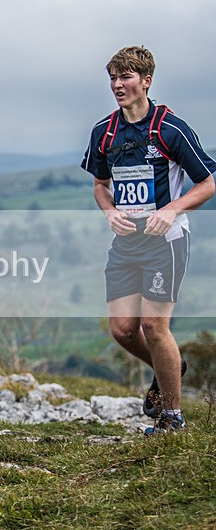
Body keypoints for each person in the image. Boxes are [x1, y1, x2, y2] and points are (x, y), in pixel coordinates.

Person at [82, 46, 215, 435]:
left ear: (146, 81)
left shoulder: (170, 129)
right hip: (126, 244)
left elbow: (207, 184)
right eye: (113, 77)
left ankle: (172, 416)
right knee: (123, 329)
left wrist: (172, 210)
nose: (117, 85)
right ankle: (170, 365)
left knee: (156, 327)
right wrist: (109, 211)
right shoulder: (103, 131)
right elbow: (100, 185)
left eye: (126, 77)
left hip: (166, 241)